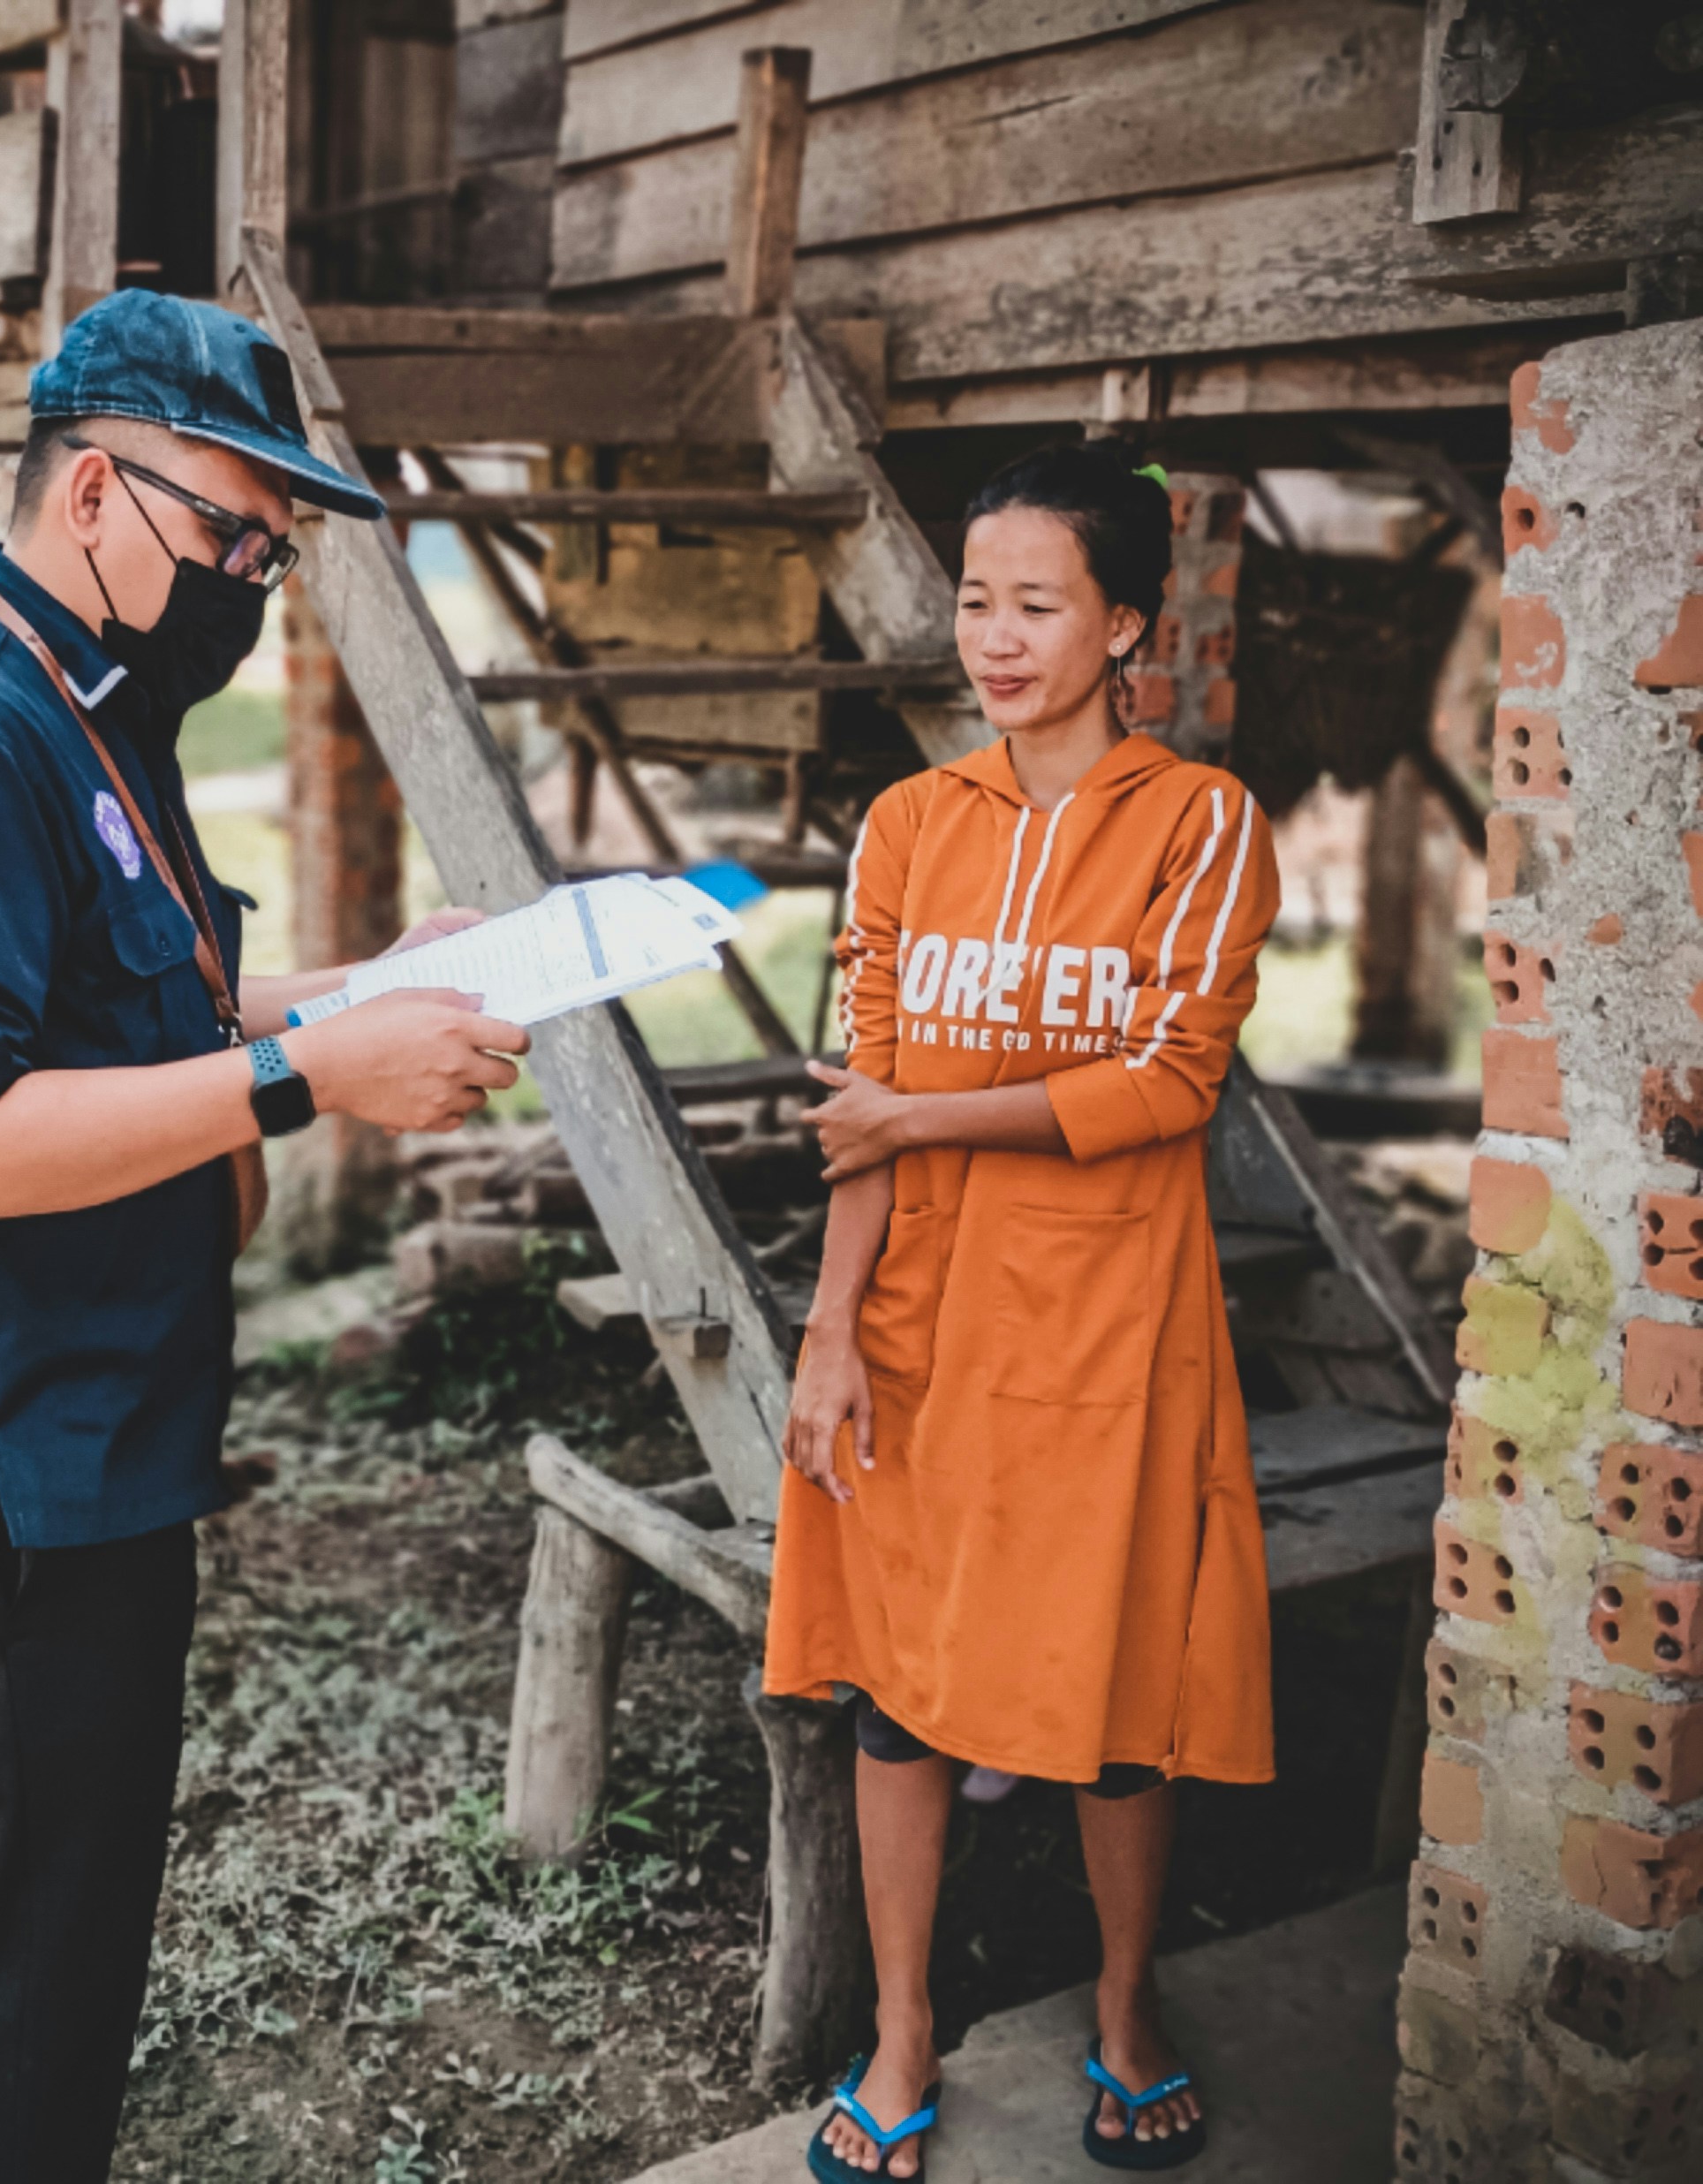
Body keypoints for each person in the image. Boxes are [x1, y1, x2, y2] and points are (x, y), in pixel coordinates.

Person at [0, 288, 529, 2184]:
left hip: (96, 1424)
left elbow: (143, 1009)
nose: (252, 577)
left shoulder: (91, 699)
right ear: (95, 491)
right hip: (1, 1455)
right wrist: (315, 1084)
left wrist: (352, 990)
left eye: (275, 550)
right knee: (43, 1957)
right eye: (230, 532)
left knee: (78, 1921)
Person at [763, 443, 1281, 2180]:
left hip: (1110, 1336)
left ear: (1123, 622)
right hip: (919, 1325)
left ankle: (1124, 2012)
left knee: (1115, 1701)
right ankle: (904, 2033)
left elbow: (1166, 1080)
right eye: (975, 600)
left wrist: (922, 1115)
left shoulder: (1200, 824)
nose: (994, 635)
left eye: (1037, 603)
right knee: (895, 1695)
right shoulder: (904, 829)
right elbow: (863, 1106)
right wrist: (831, 1330)